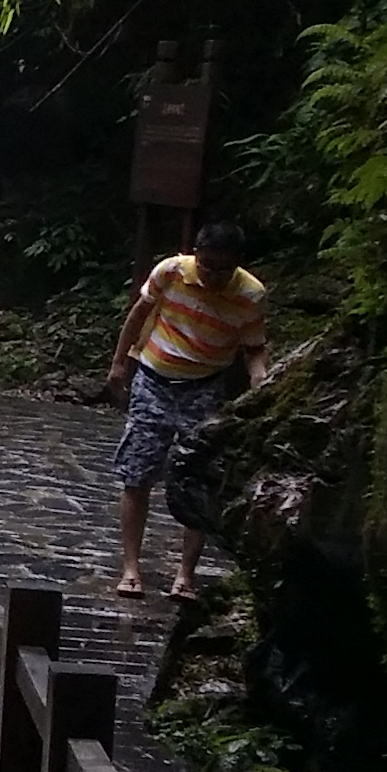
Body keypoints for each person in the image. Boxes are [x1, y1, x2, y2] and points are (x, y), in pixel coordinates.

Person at [105, 220, 271, 598]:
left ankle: (186, 575)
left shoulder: (250, 294)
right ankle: (131, 568)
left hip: (205, 385)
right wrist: (119, 363)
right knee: (137, 471)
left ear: (237, 264)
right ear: (196, 254)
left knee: (199, 477)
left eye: (222, 269)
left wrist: (260, 376)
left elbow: (254, 345)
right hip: (154, 377)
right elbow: (139, 313)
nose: (212, 275)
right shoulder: (172, 272)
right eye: (207, 265)